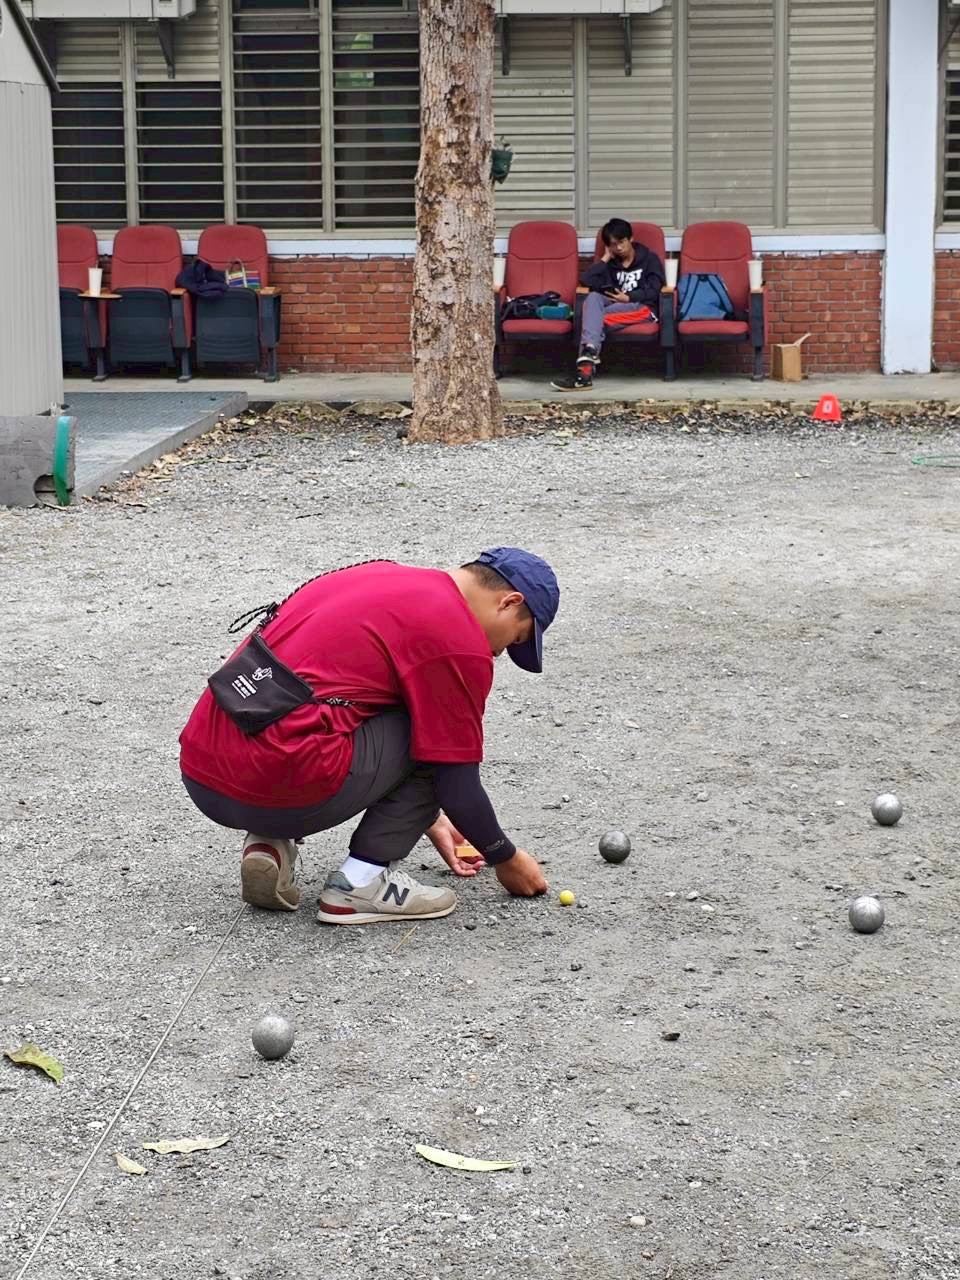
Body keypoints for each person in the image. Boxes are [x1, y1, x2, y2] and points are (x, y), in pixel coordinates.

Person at [178, 549, 559, 926]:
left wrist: (429, 818)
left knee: (317, 708)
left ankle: (270, 841)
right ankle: (361, 883)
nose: (497, 652)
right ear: (509, 602)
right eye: (514, 639)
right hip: (279, 787)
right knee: (442, 734)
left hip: (204, 771)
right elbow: (455, 780)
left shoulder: (377, 574)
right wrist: (505, 858)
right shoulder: (459, 637)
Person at [551, 217, 665, 391]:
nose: (618, 248)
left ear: (630, 239)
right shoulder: (610, 263)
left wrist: (629, 297)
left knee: (592, 321)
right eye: (613, 245)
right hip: (613, 306)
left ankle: (583, 375)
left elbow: (655, 289)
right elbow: (586, 280)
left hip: (642, 308)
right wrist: (605, 258)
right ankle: (589, 355)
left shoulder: (650, 259)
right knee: (593, 298)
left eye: (621, 242)